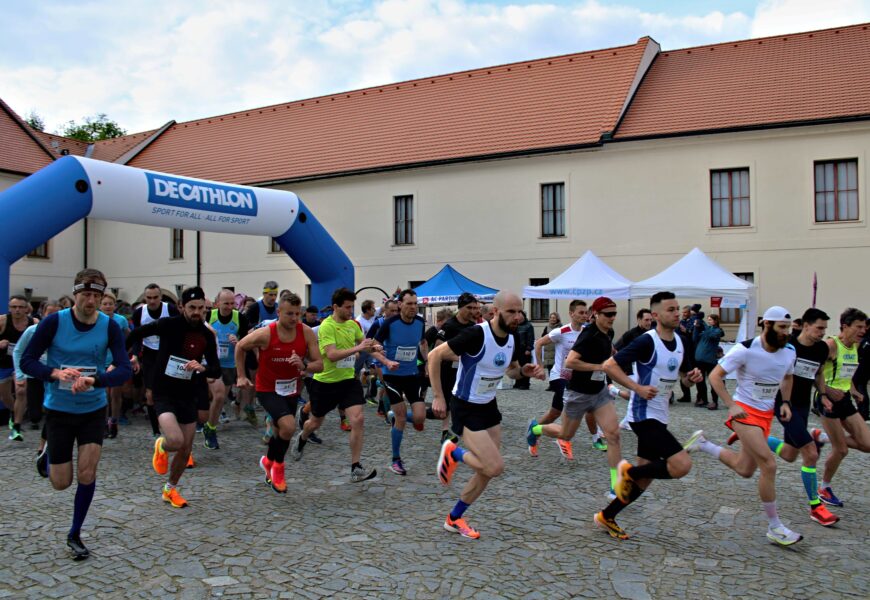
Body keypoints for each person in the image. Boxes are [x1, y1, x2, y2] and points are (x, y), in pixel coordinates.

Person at [21, 269, 133, 560]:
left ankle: (75, 533)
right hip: (58, 410)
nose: (91, 301)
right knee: (61, 482)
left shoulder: (109, 327)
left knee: (87, 472)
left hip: (93, 409)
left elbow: (122, 369)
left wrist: (95, 380)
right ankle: (46, 456)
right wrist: (55, 373)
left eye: (97, 295)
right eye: (86, 295)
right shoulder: (53, 322)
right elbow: (27, 360)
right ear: (75, 294)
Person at [431, 291, 546, 539]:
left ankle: (454, 518)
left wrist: (526, 372)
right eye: (511, 312)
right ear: (495, 312)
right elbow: (434, 356)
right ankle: (454, 453)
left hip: (488, 405)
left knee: (485, 471)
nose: (517, 317)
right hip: (465, 405)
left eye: (520, 311)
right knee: (494, 467)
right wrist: (439, 397)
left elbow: (512, 372)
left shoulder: (513, 338)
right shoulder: (476, 334)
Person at [593, 291, 703, 540]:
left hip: (661, 414)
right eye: (671, 310)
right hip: (643, 416)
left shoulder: (682, 341)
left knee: (646, 477)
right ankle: (628, 472)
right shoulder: (647, 341)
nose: (677, 313)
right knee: (681, 465)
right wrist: (637, 388)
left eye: (677, 309)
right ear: (655, 315)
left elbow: (684, 378)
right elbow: (609, 365)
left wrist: (692, 378)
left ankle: (606, 516)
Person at [691, 306, 804, 546]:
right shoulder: (744, 349)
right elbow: (715, 376)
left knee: (745, 469)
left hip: (765, 415)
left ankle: (703, 444)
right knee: (769, 464)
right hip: (743, 411)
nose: (787, 332)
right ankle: (775, 527)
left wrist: (785, 402)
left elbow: (787, 377)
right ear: (767, 325)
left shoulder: (789, 351)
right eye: (782, 327)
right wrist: (730, 405)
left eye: (789, 327)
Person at [127, 287, 221, 509]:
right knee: (176, 440)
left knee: (186, 449)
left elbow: (215, 369)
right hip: (164, 392)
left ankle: (170, 489)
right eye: (192, 308)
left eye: (201, 308)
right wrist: (124, 356)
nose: (197, 312)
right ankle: (161, 445)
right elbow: (135, 334)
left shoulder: (207, 335)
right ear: (181, 307)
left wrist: (203, 367)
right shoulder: (168, 325)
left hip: (188, 393)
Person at [291, 288, 385, 483]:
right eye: (347, 307)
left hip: (348, 381)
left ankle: (355, 467)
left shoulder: (353, 325)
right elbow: (332, 355)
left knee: (357, 420)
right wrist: (358, 348)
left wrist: (383, 357)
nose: (351, 311)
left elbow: (365, 346)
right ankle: (302, 437)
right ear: (336, 307)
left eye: (352, 307)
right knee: (315, 423)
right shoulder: (327, 326)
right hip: (325, 383)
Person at [754, 308, 838, 526]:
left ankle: (754, 440)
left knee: (791, 454)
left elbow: (818, 373)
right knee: (810, 453)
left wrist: (823, 394)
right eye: (819, 328)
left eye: (824, 329)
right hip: (783, 405)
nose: (822, 333)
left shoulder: (821, 349)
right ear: (806, 325)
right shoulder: (787, 344)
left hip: (802, 406)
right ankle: (816, 506)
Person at [529, 297, 622, 490]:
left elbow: (609, 354)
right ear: (595, 314)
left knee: (613, 435)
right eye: (608, 314)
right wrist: (600, 366)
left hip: (599, 391)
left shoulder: (608, 332)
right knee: (564, 433)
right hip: (576, 391)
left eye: (614, 314)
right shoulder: (586, 334)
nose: (612, 318)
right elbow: (570, 362)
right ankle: (536, 429)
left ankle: (616, 486)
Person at [236, 292, 322, 493]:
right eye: (289, 314)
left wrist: (304, 365)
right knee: (289, 426)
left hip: (291, 389)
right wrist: (241, 375)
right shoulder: (267, 333)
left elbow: (320, 365)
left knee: (279, 431)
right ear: (278, 312)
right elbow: (241, 346)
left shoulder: (306, 333)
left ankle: (268, 461)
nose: (293, 319)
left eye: (297, 314)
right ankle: (278, 470)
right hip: (267, 389)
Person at [814, 307, 870, 506]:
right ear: (845, 326)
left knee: (867, 444)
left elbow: (846, 373)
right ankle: (824, 489)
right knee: (842, 450)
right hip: (827, 400)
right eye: (858, 327)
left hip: (844, 398)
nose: (863, 331)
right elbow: (813, 373)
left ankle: (821, 437)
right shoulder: (831, 345)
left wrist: (853, 390)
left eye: (864, 327)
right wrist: (826, 391)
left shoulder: (854, 346)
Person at [375, 289, 428, 475]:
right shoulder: (389, 323)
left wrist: (427, 362)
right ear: (400, 304)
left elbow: (422, 343)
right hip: (392, 376)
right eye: (409, 303)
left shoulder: (420, 322)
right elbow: (372, 347)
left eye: (415, 304)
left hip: (412, 375)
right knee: (402, 418)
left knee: (420, 417)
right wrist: (386, 362)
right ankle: (395, 459)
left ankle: (392, 416)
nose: (413, 307)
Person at [529, 300, 589, 456]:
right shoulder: (561, 332)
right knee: (569, 401)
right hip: (559, 376)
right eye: (580, 312)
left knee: (554, 413)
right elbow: (538, 344)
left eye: (585, 312)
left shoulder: (587, 332)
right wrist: (540, 367)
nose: (584, 315)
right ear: (571, 314)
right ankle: (564, 438)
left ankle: (534, 430)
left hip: (576, 378)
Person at [12, 300, 59, 475]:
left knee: (51, 411)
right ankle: (18, 421)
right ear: (42, 313)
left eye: (56, 313)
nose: (52, 317)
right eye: (49, 313)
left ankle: (43, 448)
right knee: (35, 414)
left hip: (56, 377)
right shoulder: (32, 331)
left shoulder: (63, 332)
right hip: (34, 375)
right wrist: (20, 374)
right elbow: (19, 352)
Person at [203, 289, 250, 449]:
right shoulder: (210, 316)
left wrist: (238, 341)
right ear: (218, 304)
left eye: (232, 303)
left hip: (230, 364)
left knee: (220, 398)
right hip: (212, 363)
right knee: (219, 395)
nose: (230, 307)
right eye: (226, 303)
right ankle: (210, 429)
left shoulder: (239, 318)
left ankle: (210, 426)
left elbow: (246, 342)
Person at [131, 284, 179, 437]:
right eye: (149, 298)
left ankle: (172, 422)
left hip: (168, 352)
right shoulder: (139, 313)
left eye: (155, 297)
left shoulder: (170, 309)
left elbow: (179, 331)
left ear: (160, 297)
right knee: (150, 394)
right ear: (145, 298)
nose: (152, 301)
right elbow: (136, 336)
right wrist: (136, 356)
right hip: (150, 354)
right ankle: (156, 429)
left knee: (171, 391)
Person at [432, 293, 480, 443]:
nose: (472, 311)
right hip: (448, 370)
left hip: (466, 371)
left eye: (474, 308)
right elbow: (437, 349)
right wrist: (459, 357)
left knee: (461, 400)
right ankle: (445, 431)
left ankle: (456, 429)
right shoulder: (449, 325)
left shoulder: (474, 327)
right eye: (469, 308)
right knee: (446, 402)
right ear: (460, 308)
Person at [240, 281, 280, 426]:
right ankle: (249, 406)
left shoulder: (278, 308)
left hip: (271, 350)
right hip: (254, 349)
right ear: (264, 294)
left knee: (270, 383)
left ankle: (269, 412)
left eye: (275, 295)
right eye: (270, 294)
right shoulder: (255, 308)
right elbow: (248, 332)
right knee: (254, 382)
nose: (273, 297)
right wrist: (257, 352)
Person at [0, 294, 36, 440]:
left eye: (21, 307)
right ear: (9, 308)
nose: (17, 310)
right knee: (4, 395)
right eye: (14, 307)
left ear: (27, 309)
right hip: (3, 361)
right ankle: (14, 412)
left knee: (21, 391)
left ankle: (16, 426)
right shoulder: (2, 321)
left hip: (22, 362)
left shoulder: (33, 323)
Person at [100, 292, 131, 439]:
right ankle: (104, 423)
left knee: (115, 393)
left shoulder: (121, 320)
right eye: (105, 304)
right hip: (101, 361)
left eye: (110, 304)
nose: (107, 306)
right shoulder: (97, 320)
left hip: (116, 360)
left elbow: (130, 337)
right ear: (100, 306)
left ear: (114, 306)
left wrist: (126, 354)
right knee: (104, 393)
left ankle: (114, 421)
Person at [693, 314, 724, 410]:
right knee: (700, 381)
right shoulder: (706, 330)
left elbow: (711, 336)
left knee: (713, 381)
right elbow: (694, 338)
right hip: (699, 359)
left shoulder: (717, 331)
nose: (709, 321)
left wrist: (704, 326)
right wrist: (696, 328)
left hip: (710, 360)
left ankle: (715, 401)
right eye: (708, 320)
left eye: (710, 320)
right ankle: (703, 399)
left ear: (715, 321)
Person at [512, 311, 535, 390]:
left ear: (523, 316)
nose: (518, 316)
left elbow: (531, 338)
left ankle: (525, 383)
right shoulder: (515, 325)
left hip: (524, 350)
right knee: (517, 366)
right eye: (517, 315)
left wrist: (529, 348)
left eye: (520, 315)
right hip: (516, 349)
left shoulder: (528, 326)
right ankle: (518, 382)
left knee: (525, 366)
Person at [541, 312, 562, 382]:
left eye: (554, 318)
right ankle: (551, 384)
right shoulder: (547, 327)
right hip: (548, 351)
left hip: (556, 350)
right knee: (550, 368)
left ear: (557, 319)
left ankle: (556, 383)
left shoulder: (560, 328)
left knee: (556, 369)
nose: (552, 319)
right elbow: (542, 337)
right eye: (551, 318)